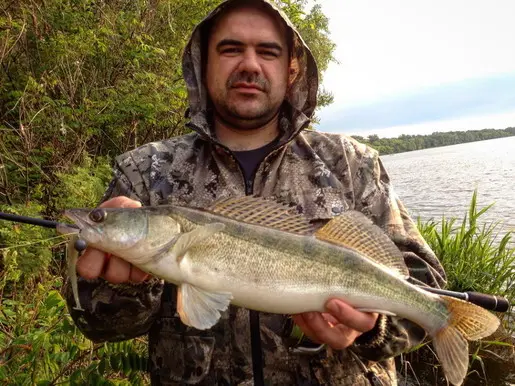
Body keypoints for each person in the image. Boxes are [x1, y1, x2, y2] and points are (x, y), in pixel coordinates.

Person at [65, 0, 447, 384]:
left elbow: (423, 282)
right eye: (231, 49)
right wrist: (122, 283)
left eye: (268, 51)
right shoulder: (144, 172)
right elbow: (99, 326)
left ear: (291, 69)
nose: (250, 64)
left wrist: (370, 327)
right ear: (204, 64)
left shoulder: (351, 163)